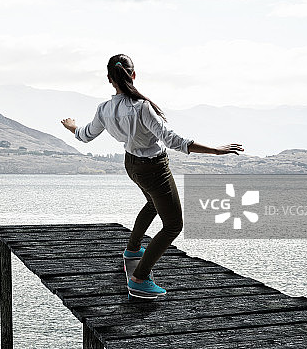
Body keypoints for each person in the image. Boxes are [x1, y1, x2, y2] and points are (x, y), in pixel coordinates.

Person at [61, 54, 243, 299]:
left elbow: (84, 135)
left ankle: (133, 250)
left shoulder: (104, 109)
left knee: (152, 203)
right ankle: (140, 277)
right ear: (133, 75)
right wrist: (215, 150)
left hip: (131, 165)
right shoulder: (141, 107)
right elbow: (171, 139)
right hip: (154, 168)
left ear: (108, 79)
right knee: (173, 225)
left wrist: (72, 126)